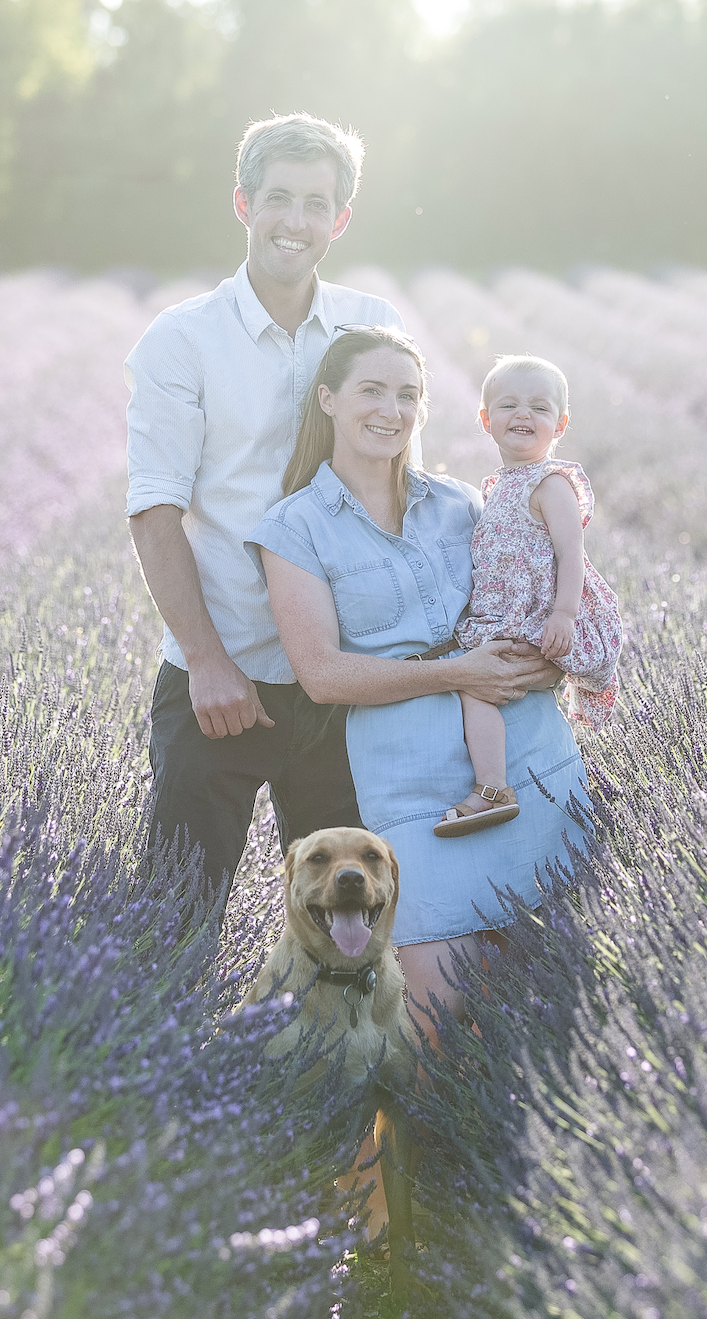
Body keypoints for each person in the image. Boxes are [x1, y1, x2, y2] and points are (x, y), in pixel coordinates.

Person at [245, 326, 591, 1048]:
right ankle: (415, 1152)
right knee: (434, 1013)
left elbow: (549, 590)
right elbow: (323, 674)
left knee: (555, 987)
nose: (391, 409)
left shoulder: (463, 503)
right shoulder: (294, 528)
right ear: (329, 399)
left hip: (529, 753)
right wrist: (456, 671)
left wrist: (558, 658)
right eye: (372, 390)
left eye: (408, 394)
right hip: (414, 786)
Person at [126, 113, 437, 901]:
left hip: (346, 685)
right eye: (278, 199)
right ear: (243, 205)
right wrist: (206, 661)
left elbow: (405, 489)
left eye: (315, 204)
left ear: (340, 219)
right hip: (224, 679)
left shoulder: (375, 325)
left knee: (357, 933)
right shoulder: (183, 338)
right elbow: (154, 509)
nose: (294, 222)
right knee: (175, 920)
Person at [436, 355, 622, 837]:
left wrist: (563, 613)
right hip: (509, 617)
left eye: (539, 407)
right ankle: (503, 785)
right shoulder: (497, 486)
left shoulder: (551, 482)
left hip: (539, 619)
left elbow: (571, 550)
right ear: (485, 420)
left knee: (476, 687)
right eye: (509, 404)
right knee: (475, 684)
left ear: (559, 424)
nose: (523, 414)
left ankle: (494, 788)